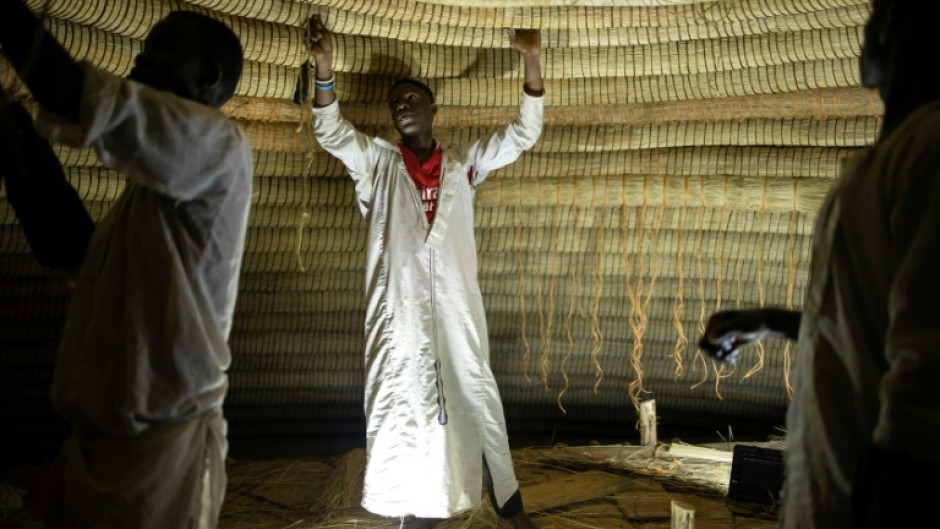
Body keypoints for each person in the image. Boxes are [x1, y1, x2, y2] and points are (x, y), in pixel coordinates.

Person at [0, 2, 252, 528]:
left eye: (160, 50)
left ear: (207, 78)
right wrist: (18, 141)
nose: (138, 63)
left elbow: (74, 94)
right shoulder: (149, 201)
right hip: (94, 448)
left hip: (155, 458)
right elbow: (68, 249)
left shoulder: (219, 146)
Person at [698, 1, 940, 527]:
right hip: (833, 488)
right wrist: (771, 322)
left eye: (875, 15)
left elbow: (925, 379)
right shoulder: (894, 157)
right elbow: (871, 330)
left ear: (894, 25)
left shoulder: (928, 152)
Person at [306, 14, 544, 529]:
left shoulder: (463, 167)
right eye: (395, 104)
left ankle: (509, 507)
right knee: (403, 402)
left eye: (411, 99)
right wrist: (324, 66)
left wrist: (530, 58)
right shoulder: (378, 164)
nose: (400, 107)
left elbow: (524, 133)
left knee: (474, 393)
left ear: (434, 109)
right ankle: (415, 514)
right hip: (399, 313)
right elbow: (331, 131)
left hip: (456, 308)